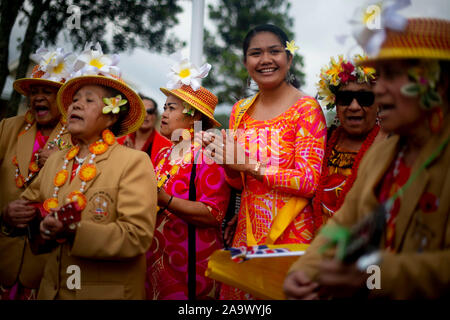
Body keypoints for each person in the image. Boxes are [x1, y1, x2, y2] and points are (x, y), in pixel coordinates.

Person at [284, 17, 450, 299]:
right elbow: (344, 224)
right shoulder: (386, 152)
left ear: (439, 83)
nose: (380, 88)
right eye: (380, 75)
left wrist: (373, 273)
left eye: (393, 75)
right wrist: (304, 272)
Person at [5, 44, 157, 299]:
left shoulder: (134, 163)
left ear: (110, 117)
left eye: (88, 100)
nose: (76, 105)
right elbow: (27, 206)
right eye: (74, 100)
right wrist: (10, 215)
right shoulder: (56, 162)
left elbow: (137, 236)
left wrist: (75, 231)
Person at [200, 24, 327, 300]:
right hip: (247, 235)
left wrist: (250, 165)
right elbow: (237, 183)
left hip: (291, 236)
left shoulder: (306, 110)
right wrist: (224, 160)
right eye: (256, 53)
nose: (266, 60)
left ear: (288, 59)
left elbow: (308, 181)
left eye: (275, 51)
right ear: (246, 62)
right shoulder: (240, 111)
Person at [145, 58, 230, 300]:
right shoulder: (162, 153)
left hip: (191, 264)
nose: (164, 113)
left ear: (194, 118)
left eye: (172, 108)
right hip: (155, 260)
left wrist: (166, 200)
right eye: (165, 106)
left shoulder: (208, 153)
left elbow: (215, 214)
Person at [0, 47, 72, 300]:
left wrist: (60, 163)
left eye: (47, 92)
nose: (38, 98)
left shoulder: (79, 137)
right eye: (34, 92)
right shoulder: (7, 128)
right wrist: (3, 213)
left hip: (46, 264)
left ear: (64, 99)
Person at [312, 54, 387, 231]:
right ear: (335, 104)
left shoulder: (392, 146)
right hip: (318, 248)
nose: (354, 106)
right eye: (345, 98)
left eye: (365, 99)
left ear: (379, 104)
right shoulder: (322, 141)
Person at [117, 95, 172, 166]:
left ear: (156, 116)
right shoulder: (118, 142)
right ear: (135, 114)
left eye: (150, 111)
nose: (146, 115)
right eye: (142, 110)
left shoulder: (166, 148)